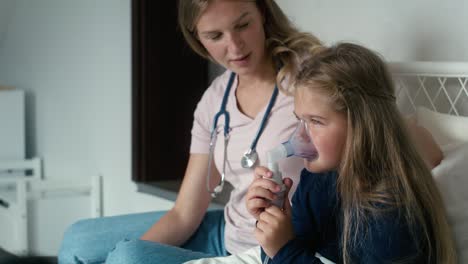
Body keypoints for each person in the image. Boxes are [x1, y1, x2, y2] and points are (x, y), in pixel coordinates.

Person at [58, 1, 443, 263]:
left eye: (242, 24)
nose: (235, 45)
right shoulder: (214, 99)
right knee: (80, 239)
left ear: (263, 14)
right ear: (198, 39)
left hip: (273, 238)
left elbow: (397, 138)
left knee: (127, 257)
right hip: (231, 227)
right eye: (215, 36)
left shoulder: (310, 76)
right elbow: (185, 213)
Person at [245, 43, 457, 263]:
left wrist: (285, 250)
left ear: (361, 125)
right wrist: (274, 222)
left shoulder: (390, 208)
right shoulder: (318, 180)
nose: (300, 136)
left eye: (315, 121)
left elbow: (290, 255)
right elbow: (286, 253)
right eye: (300, 120)